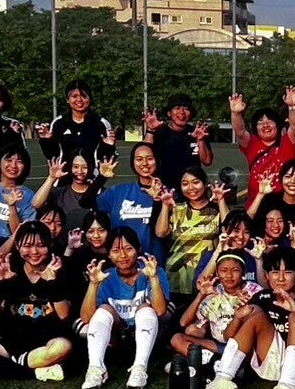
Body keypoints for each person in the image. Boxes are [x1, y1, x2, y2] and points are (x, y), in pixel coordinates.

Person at [199, 247, 295, 389]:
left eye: (287, 272)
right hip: (273, 365)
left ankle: (287, 388)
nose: (280, 278)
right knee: (254, 312)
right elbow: (228, 337)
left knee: (294, 316)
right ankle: (223, 378)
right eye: (275, 272)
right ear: (267, 276)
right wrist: (238, 317)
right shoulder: (262, 297)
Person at [0, 222, 74, 381]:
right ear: (17, 246)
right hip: (11, 343)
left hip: (48, 342)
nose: (34, 252)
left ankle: (5, 367)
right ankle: (34, 371)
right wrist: (1, 282)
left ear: (50, 244)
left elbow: (64, 314)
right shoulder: (9, 269)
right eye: (27, 246)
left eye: (40, 245)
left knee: (63, 347)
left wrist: (52, 282)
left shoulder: (61, 268)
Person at [80, 226, 169, 389]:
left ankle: (139, 368)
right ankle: (96, 369)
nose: (122, 255)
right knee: (102, 310)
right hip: (115, 340)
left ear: (138, 249)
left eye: (128, 249)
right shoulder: (105, 276)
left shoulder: (153, 271)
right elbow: (86, 318)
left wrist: (153, 278)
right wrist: (93, 284)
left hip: (148, 339)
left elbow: (160, 311)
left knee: (146, 308)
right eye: (115, 250)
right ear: (108, 254)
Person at [155, 166, 230, 301]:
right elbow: (161, 233)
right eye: (185, 184)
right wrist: (165, 206)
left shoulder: (216, 210)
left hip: (207, 277)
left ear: (205, 183)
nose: (190, 187)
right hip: (177, 278)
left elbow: (230, 229)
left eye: (195, 182)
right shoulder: (177, 208)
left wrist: (221, 201)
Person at [96, 143, 162, 262]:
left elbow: (161, 232)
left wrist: (158, 200)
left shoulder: (167, 194)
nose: (145, 163)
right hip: (122, 263)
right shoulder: (118, 191)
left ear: (157, 161)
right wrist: (101, 178)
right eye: (139, 159)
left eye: (150, 158)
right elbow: (85, 202)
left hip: (153, 264)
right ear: (133, 162)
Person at [231, 86, 295, 191]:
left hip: (284, 199)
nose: (265, 125)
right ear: (255, 127)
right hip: (257, 200)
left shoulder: (287, 142)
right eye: (260, 122)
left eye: (270, 121)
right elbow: (240, 131)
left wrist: (293, 107)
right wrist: (236, 114)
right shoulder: (251, 143)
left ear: (277, 125)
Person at [35, 80, 116, 166]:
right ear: (67, 99)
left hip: (93, 174)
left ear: (90, 98)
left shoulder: (101, 123)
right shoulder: (58, 123)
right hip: (64, 173)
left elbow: (108, 160)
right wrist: (46, 140)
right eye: (74, 96)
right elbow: (52, 156)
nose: (79, 100)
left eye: (84, 96)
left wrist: (109, 146)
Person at [144, 94, 212, 193]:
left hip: (192, 189)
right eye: (177, 108)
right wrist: (150, 130)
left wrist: (200, 141)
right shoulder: (158, 132)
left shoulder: (198, 132)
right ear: (169, 113)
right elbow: (144, 154)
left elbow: (207, 161)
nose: (182, 112)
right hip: (164, 189)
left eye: (186, 108)